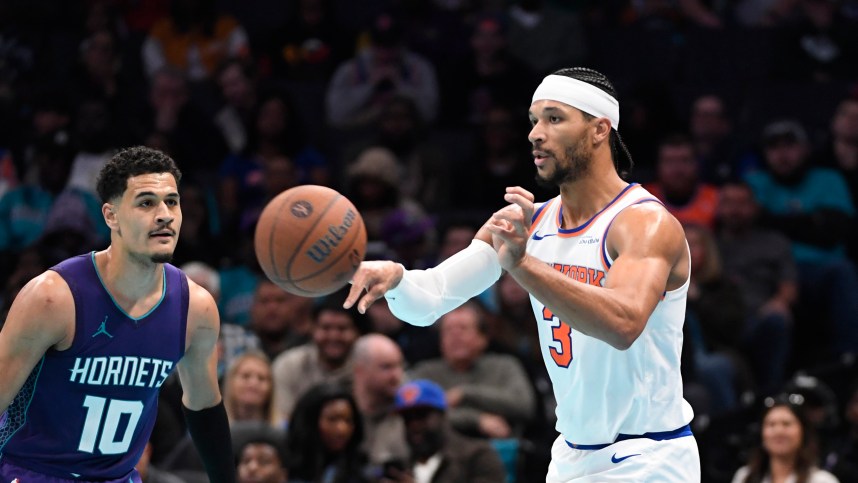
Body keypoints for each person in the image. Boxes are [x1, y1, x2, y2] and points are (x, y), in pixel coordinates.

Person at [345, 66, 700, 481]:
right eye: (533, 121)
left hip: (648, 455)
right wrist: (398, 278)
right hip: (571, 455)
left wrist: (523, 265)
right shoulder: (527, 223)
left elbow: (623, 324)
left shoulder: (642, 223)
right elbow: (431, 300)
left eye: (554, 118)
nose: (534, 134)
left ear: (599, 129)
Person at [0, 146, 235, 482]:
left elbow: (204, 407)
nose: (165, 214)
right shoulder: (53, 298)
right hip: (32, 473)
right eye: (146, 203)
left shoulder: (196, 308)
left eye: (172, 201)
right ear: (111, 216)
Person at [383, 379, 507, 483]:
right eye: (407, 418)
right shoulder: (400, 466)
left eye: (422, 415)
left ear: (443, 415)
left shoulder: (478, 456)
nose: (414, 425)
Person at [731, 398, 839, 483]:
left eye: (786, 424)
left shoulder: (822, 481)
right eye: (771, 425)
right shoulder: (744, 477)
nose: (778, 431)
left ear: (803, 432)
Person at [285, 383, 370, 483]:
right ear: (311, 421)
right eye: (332, 419)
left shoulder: (361, 471)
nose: (342, 429)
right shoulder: (285, 466)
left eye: (348, 420)